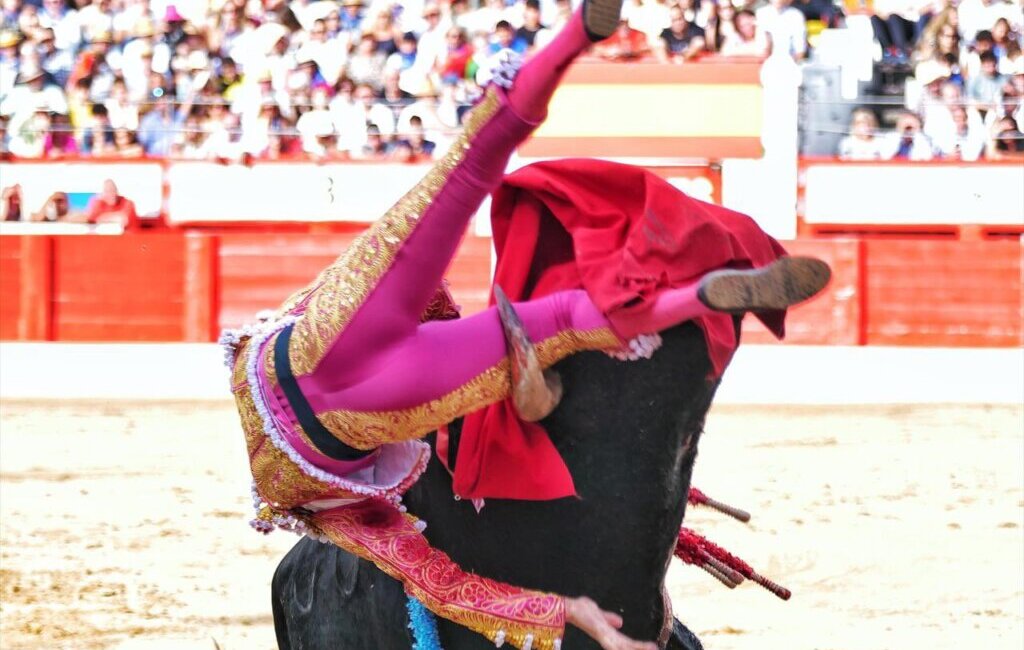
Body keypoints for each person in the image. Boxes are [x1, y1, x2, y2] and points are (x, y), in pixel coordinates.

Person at [224, 1, 830, 649]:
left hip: (361, 412)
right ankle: (573, 35)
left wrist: (563, 615)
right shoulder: (263, 390)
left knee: (566, 327)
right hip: (298, 344)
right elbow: (417, 307)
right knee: (471, 160)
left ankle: (687, 298)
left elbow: (441, 583)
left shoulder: (350, 516)